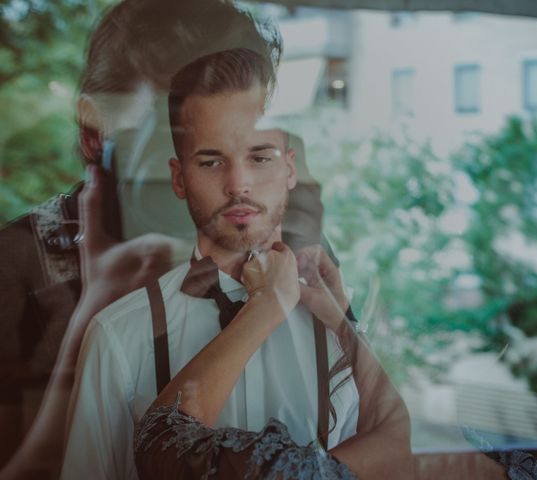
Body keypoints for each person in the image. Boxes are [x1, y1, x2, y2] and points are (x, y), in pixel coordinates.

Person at [61, 40, 413, 480]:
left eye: (259, 157)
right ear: (178, 178)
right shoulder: (117, 337)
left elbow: (394, 456)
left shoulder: (341, 330)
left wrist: (343, 322)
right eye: (211, 162)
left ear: (289, 170)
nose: (238, 184)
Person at [0, 0, 322, 477]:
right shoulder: (17, 269)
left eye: (251, 147)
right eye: (175, 147)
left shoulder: (281, 248)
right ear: (95, 138)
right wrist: (96, 315)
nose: (232, 184)